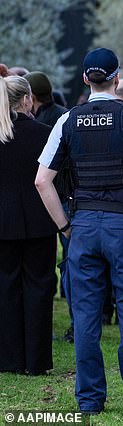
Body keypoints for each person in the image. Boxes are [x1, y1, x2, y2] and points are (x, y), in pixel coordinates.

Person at [35, 48, 123, 417]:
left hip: (83, 227)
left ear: (85, 79)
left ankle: (90, 401)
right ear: (118, 77)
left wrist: (65, 226)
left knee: (84, 316)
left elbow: (42, 181)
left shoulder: (67, 120)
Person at [0, 76, 57, 375]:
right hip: (39, 220)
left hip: (3, 223)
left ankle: (8, 358)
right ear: (26, 100)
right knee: (39, 288)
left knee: (6, 288)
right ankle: (36, 361)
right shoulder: (44, 134)